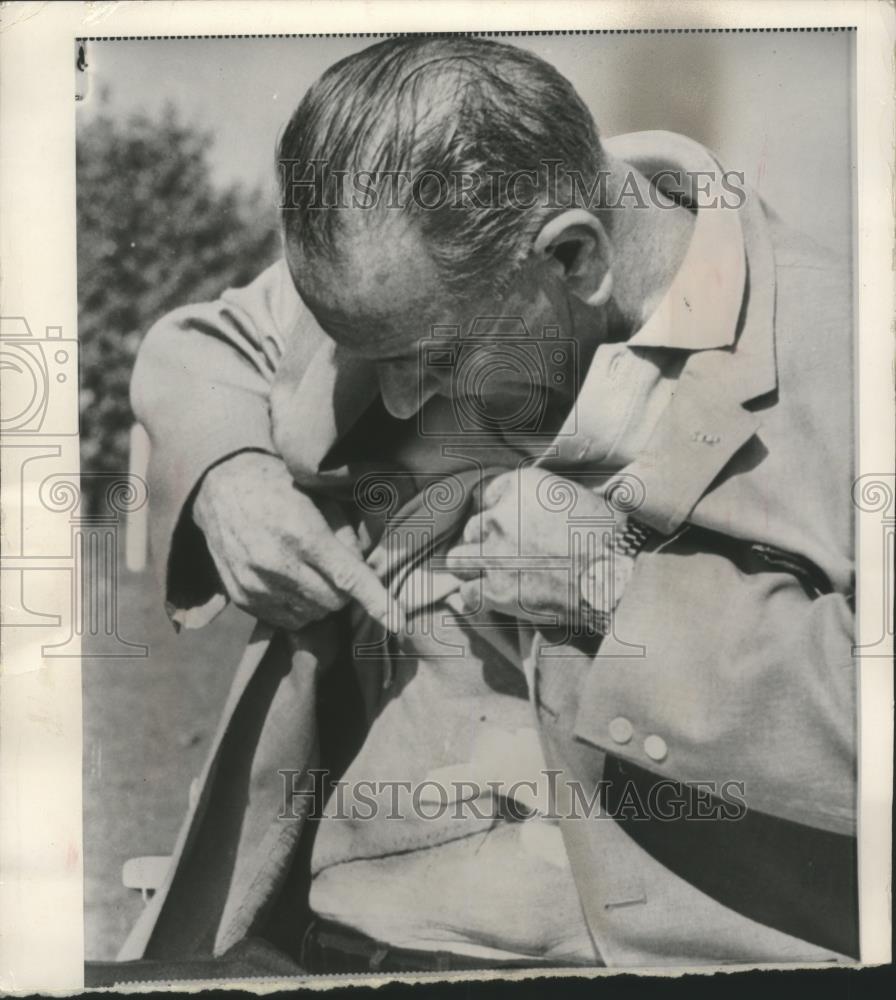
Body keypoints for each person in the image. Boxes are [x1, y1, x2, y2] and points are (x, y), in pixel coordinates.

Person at [120, 37, 856, 972]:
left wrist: (615, 596)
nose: (391, 401)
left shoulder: (858, 360)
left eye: (429, 362)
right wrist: (233, 478)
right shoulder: (401, 283)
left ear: (577, 257)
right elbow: (197, 343)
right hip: (337, 949)